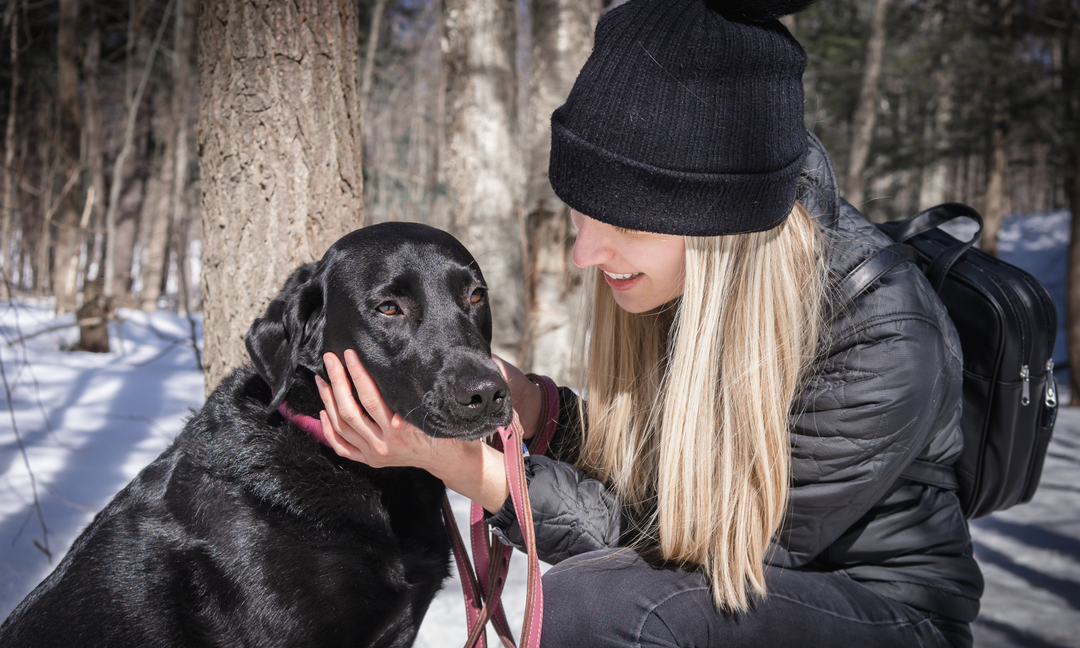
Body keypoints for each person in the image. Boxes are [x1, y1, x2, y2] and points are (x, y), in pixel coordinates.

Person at [314, 0, 983, 645]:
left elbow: (702, 552)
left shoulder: (883, 338)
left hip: (880, 610)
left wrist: (476, 473)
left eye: (627, 223)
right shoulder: (684, 282)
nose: (585, 254)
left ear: (720, 227)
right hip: (728, 583)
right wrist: (538, 408)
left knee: (596, 609)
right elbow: (654, 483)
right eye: (582, 210)